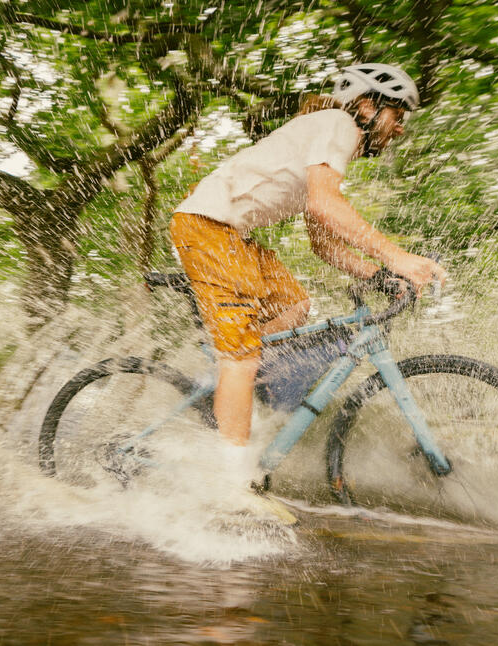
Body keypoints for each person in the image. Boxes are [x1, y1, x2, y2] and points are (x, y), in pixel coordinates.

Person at [169, 63, 447, 511]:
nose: (399, 129)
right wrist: (397, 257)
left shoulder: (328, 138)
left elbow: (321, 240)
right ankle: (232, 484)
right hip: (207, 227)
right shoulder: (338, 124)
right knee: (243, 357)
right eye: (398, 115)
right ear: (367, 106)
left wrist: (377, 275)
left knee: (295, 307)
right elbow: (323, 206)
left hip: (230, 233)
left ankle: (227, 393)